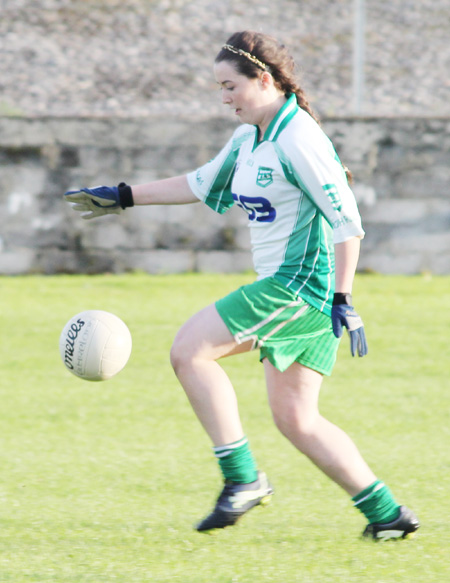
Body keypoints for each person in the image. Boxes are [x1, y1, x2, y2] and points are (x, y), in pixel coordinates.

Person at [64, 31, 419, 540]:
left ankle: (243, 480)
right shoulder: (252, 136)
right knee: (298, 420)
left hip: (296, 289)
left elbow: (348, 221)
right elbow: (199, 183)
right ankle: (388, 516)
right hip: (293, 291)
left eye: (230, 86)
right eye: (219, 87)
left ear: (265, 80)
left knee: (189, 352)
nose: (224, 97)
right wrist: (123, 195)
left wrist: (343, 297)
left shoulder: (298, 139)